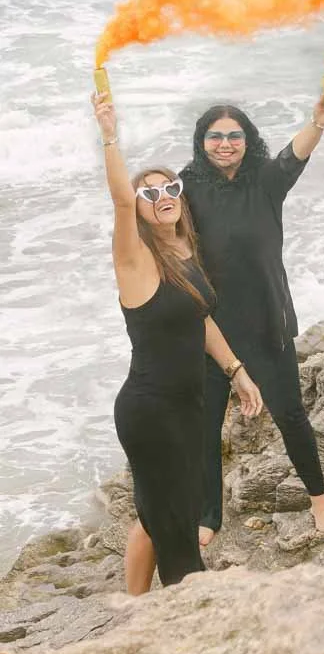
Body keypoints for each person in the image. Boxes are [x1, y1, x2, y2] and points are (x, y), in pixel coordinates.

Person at [92, 91, 263, 593]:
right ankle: (176, 603)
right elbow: (121, 198)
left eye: (169, 187)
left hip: (188, 404)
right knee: (173, 524)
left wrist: (237, 370)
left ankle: (136, 609)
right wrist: (108, 133)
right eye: (150, 194)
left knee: (160, 514)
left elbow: (200, 319)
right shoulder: (135, 261)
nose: (161, 196)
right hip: (150, 410)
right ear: (140, 210)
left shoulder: (182, 250)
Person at [182, 97, 324, 546]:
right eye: (215, 136)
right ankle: (208, 515)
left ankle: (320, 499)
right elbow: (151, 216)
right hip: (212, 328)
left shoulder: (266, 181)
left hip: (268, 320)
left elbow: (295, 155)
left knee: (291, 414)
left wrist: (319, 122)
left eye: (234, 135)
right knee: (205, 426)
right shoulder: (187, 186)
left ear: (247, 140)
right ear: (202, 142)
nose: (225, 143)